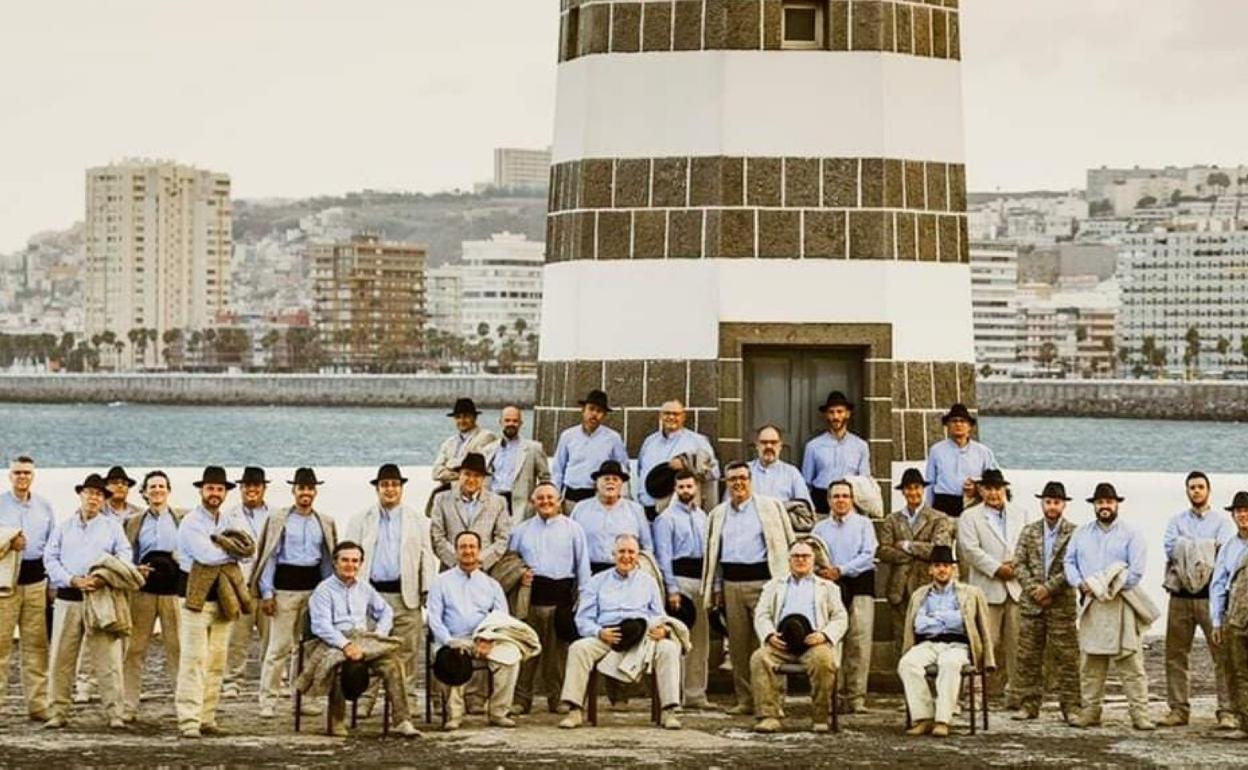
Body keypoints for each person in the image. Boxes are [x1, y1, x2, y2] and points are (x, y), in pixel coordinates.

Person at [557, 534, 683, 730]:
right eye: (622, 552)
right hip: (607, 635)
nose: (626, 556)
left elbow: (659, 615)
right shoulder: (597, 581)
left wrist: (663, 630)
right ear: (613, 555)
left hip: (642, 635)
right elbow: (582, 619)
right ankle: (574, 711)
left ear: (638, 555)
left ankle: (669, 711)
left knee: (668, 649)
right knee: (578, 648)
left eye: (631, 552)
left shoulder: (648, 582)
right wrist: (599, 632)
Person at [702, 460, 796, 715]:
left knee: (770, 642)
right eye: (733, 479)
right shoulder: (717, 514)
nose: (738, 483)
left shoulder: (771, 507)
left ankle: (774, 700)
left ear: (750, 480)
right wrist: (717, 587)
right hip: (732, 583)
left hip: (765, 581)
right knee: (738, 645)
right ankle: (745, 699)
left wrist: (785, 584)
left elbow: (789, 543)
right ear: (726, 482)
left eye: (743, 478)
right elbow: (714, 555)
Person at [42, 472, 133, 729]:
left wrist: (105, 576)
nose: (94, 498)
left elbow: (125, 555)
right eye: (89, 493)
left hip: (101, 597)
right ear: (80, 495)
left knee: (108, 658)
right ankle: (58, 711)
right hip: (68, 598)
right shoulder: (63, 527)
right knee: (61, 656)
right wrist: (72, 580)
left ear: (104, 499)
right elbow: (50, 559)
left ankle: (115, 713)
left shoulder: (112, 527)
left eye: (99, 494)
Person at [1064, 483, 1156, 731]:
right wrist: (1082, 584)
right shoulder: (1081, 534)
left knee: (1131, 664)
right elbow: (1069, 562)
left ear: (1117, 504)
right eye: (1100, 502)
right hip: (1092, 604)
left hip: (1121, 602)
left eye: (1109, 502)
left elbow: (1135, 572)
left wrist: (1108, 584)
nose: (1105, 506)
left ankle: (1140, 715)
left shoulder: (1131, 534)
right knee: (1091, 665)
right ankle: (1090, 712)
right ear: (1094, 505)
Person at [306, 541, 420, 738]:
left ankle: (402, 720)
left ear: (361, 564)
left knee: (393, 664)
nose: (350, 565)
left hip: (364, 641)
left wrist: (379, 635)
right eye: (345, 560)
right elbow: (320, 626)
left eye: (355, 561)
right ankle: (337, 720)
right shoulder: (323, 590)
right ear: (335, 563)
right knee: (338, 666)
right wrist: (346, 645)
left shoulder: (365, 588)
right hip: (334, 642)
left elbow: (386, 611)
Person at [345, 463, 437, 699]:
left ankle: (404, 701)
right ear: (377, 488)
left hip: (406, 596)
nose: (390, 489)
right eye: (385, 485)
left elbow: (426, 557)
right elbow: (348, 557)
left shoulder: (418, 520)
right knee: (369, 649)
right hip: (371, 596)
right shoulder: (360, 519)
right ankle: (366, 698)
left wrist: (426, 590)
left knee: (407, 651)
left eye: (395, 485)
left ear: (401, 488)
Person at [252, 467, 338, 719]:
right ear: (294, 490)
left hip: (313, 590)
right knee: (278, 647)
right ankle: (267, 700)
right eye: (301, 488)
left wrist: (327, 594)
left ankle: (301, 698)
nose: (306, 493)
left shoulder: (324, 521)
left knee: (307, 649)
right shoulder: (279, 519)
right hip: (284, 589)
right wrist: (267, 592)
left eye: (310, 489)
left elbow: (326, 560)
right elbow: (269, 557)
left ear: (315, 492)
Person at [174, 466, 251, 739]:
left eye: (219, 489)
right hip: (195, 598)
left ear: (225, 492)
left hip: (222, 598)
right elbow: (205, 555)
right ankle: (189, 720)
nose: (215, 493)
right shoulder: (191, 522)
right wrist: (231, 552)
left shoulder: (226, 521)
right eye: (210, 488)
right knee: (194, 660)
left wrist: (231, 550)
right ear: (201, 490)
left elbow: (246, 550)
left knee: (217, 660)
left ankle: (207, 717)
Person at [1160, 471, 1236, 729]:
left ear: (1208, 491)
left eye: (1200, 487)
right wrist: (1205, 547)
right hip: (1179, 596)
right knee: (1175, 654)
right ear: (1187, 491)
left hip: (1211, 598)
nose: (1196, 491)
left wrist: (1189, 546)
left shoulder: (1222, 522)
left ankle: (1227, 710)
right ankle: (1178, 709)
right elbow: (1170, 547)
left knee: (1222, 654)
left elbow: (1224, 552)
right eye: (1192, 487)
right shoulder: (1175, 520)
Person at [509, 482, 591, 715]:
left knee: (558, 655)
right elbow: (511, 561)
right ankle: (522, 699)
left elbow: (582, 568)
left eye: (550, 498)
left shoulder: (573, 529)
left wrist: (583, 602)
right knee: (527, 650)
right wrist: (520, 573)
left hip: (562, 597)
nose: (546, 502)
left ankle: (559, 698)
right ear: (533, 502)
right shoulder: (521, 530)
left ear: (559, 501)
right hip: (531, 597)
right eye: (540, 498)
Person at [749, 540, 848, 734]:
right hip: (781, 642)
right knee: (759, 658)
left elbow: (840, 617)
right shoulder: (774, 585)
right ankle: (769, 716)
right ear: (789, 560)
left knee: (824, 660)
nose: (800, 560)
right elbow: (761, 613)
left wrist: (824, 635)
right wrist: (769, 635)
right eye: (796, 556)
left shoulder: (828, 588)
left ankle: (821, 716)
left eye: (805, 556)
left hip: (813, 643)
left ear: (813, 560)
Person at [898, 545, 995, 738]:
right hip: (928, 643)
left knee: (949, 663)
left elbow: (967, 622)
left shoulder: (970, 593)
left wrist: (936, 617)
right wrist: (949, 617)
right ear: (930, 570)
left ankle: (943, 720)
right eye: (937, 566)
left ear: (953, 569)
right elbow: (919, 624)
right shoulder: (920, 595)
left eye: (946, 566)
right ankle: (924, 717)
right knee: (907, 664)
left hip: (958, 645)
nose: (942, 570)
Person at [427, 531, 520, 730]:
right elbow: (434, 619)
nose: (468, 551)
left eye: (472, 547)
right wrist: (450, 641)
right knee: (453, 658)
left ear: (479, 551)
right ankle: (454, 715)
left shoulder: (491, 584)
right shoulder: (441, 582)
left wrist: (487, 639)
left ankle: (498, 712)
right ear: (456, 550)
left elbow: (501, 617)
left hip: (485, 639)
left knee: (511, 656)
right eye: (463, 547)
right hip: (453, 639)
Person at [956, 468, 1026, 706]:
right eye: (989, 488)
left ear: (1005, 489)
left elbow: (1027, 545)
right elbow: (970, 550)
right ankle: (975, 696)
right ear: (981, 490)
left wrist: (1015, 567)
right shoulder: (970, 516)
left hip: (1016, 588)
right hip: (987, 587)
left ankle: (1017, 695)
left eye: (998, 488)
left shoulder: (1021, 513)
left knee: (1017, 644)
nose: (994, 493)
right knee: (984, 643)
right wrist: (997, 568)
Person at [1011, 480, 1079, 722]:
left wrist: (1049, 588)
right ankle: (1028, 705)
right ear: (1042, 503)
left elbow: (1075, 566)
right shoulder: (1029, 531)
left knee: (1067, 658)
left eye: (1056, 502)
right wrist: (1034, 589)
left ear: (1064, 505)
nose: (1052, 507)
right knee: (1028, 656)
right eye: (1048, 502)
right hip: (1032, 605)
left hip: (1061, 605)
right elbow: (1018, 563)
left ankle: (1071, 707)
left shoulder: (1075, 533)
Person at [121, 470, 184, 722]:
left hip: (173, 592)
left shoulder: (182, 518)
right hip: (143, 591)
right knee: (134, 649)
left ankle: (184, 706)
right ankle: (128, 705)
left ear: (168, 490)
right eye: (152, 487)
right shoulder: (134, 521)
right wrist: (135, 570)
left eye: (161, 486)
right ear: (145, 492)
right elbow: (126, 552)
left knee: (177, 649)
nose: (157, 490)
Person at [811, 480, 877, 714]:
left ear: (852, 499)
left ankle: (856, 697)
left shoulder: (864, 524)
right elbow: (813, 554)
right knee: (831, 641)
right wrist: (823, 572)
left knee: (859, 643)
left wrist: (842, 569)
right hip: (829, 587)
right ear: (829, 500)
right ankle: (832, 696)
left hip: (859, 584)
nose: (840, 500)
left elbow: (869, 554)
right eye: (836, 496)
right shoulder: (820, 528)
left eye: (845, 496)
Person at [877, 468, 953, 661]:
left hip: (927, 585)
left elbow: (939, 549)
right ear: (903, 491)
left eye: (917, 488)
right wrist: (916, 554)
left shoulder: (938, 517)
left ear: (923, 489)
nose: (913, 493)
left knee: (929, 636)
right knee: (902, 638)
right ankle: (905, 686)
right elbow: (883, 551)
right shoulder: (892, 519)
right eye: (909, 489)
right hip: (899, 588)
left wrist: (906, 546)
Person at [0, 455, 55, 721]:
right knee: (0, 647)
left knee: (36, 646)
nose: (22, 477)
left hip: (36, 581)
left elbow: (53, 546)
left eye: (27, 473)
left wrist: (52, 584)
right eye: (18, 472)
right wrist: (9, 543)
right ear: (9, 475)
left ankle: (38, 704)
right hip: (5, 583)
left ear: (33, 475)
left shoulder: (44, 506)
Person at [652, 469, 711, 708]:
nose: (686, 491)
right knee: (677, 640)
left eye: (689, 486)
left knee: (700, 641)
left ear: (696, 488)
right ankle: (673, 696)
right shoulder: (666, 519)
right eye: (681, 487)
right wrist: (672, 589)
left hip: (702, 582)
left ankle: (696, 694)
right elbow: (664, 556)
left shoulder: (704, 517)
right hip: (680, 581)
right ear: (675, 489)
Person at [222, 466, 273, 698]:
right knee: (237, 638)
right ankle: (233, 680)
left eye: (256, 486)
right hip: (240, 583)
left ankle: (272, 680)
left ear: (263, 488)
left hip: (268, 584)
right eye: (247, 486)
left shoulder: (276, 515)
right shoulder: (229, 516)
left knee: (271, 637)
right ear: (241, 489)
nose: (252, 490)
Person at [636, 399, 720, 519]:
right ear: (660, 416)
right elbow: (640, 471)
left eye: (676, 414)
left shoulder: (697, 441)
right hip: (646, 510)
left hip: (679, 513)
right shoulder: (650, 442)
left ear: (683, 416)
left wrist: (688, 463)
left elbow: (714, 472)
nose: (671, 417)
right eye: (667, 413)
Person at [430, 452, 511, 572]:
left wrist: (479, 561)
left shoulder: (498, 502)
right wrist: (458, 561)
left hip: (484, 571)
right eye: (467, 474)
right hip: (450, 569)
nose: (471, 479)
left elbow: (502, 538)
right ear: (459, 474)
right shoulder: (441, 499)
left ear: (483, 478)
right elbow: (437, 536)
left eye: (477, 475)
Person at [1210, 490, 1248, 739]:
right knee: (1239, 673)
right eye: (1239, 512)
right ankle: (1245, 723)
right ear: (1233, 516)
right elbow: (1218, 584)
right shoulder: (1229, 547)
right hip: (1236, 619)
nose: (1243, 515)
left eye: (1246, 511)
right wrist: (1216, 621)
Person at [570, 460, 652, 575]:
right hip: (589, 571)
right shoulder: (581, 508)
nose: (611, 482)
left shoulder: (635, 510)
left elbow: (647, 546)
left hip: (625, 571)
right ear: (597, 483)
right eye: (606, 479)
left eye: (615, 479)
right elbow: (571, 542)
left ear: (621, 484)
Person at [550, 389, 629, 507]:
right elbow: (558, 469)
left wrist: (621, 497)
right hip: (571, 496)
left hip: (598, 497)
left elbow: (623, 468)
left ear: (604, 415)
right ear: (583, 410)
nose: (594, 414)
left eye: (599, 411)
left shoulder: (613, 438)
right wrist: (554, 496)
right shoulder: (568, 436)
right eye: (591, 409)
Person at [801, 391, 869, 515]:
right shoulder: (813, 446)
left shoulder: (861, 446)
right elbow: (806, 483)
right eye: (831, 412)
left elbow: (864, 481)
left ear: (847, 414)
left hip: (849, 502)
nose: (835, 417)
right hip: (821, 500)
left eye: (839, 411)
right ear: (826, 415)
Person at [924, 404, 998, 518]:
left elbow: (994, 480)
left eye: (962, 421)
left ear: (969, 426)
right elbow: (930, 483)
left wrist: (977, 488)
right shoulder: (936, 450)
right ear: (947, 425)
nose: (958, 424)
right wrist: (928, 511)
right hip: (943, 504)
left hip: (973, 503)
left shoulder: (983, 452)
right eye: (954, 421)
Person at [484, 405, 551, 521]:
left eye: (515, 421)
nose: (511, 424)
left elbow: (545, 478)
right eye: (507, 420)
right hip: (494, 502)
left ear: (521, 423)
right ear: (500, 422)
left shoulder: (533, 448)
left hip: (521, 506)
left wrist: (537, 500)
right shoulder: (489, 450)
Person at [430, 398, 498, 497]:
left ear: (474, 418)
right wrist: (461, 474)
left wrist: (449, 465)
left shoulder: (486, 437)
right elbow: (436, 472)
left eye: (466, 416)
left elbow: (476, 466)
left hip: (474, 494)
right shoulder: (449, 443)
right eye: (458, 417)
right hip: (449, 495)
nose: (462, 421)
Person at [748, 424, 814, 521]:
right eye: (764, 442)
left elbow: (805, 509)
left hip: (782, 528)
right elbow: (729, 506)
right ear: (756, 445)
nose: (769, 446)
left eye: (773, 442)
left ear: (780, 446)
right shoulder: (744, 471)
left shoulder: (792, 473)